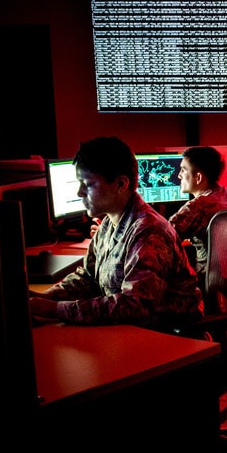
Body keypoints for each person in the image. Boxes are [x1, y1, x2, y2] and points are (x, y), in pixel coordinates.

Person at [29, 136, 203, 333]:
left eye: (88, 184)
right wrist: (46, 297)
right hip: (131, 331)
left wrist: (55, 310)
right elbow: (88, 277)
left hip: (170, 335)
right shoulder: (109, 223)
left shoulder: (149, 231)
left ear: (121, 184)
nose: (79, 192)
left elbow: (135, 306)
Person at [168, 146, 227, 280]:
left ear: (198, 177)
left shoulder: (197, 207)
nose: (179, 175)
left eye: (183, 170)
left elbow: (162, 238)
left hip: (208, 282)